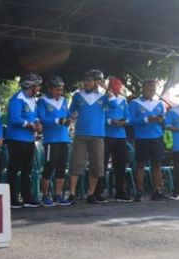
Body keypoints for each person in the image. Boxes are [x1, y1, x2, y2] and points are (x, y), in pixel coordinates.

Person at [68, 69, 115, 205]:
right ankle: (71, 194)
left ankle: (91, 194)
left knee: (96, 166)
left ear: (97, 82)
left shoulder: (103, 95)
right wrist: (72, 115)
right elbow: (71, 111)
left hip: (98, 135)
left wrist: (107, 89)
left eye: (90, 80)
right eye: (86, 80)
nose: (87, 83)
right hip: (80, 135)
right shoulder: (78, 95)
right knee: (76, 165)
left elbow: (114, 104)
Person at [6, 73, 43, 208]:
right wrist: (29, 125)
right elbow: (15, 119)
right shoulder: (17, 99)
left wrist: (38, 124)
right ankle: (12, 198)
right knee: (14, 169)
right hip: (16, 139)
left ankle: (27, 197)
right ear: (30, 86)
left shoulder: (33, 100)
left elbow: (36, 115)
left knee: (27, 170)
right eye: (37, 86)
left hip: (29, 139)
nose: (38, 88)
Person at [129, 79, 169, 201]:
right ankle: (139, 191)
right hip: (142, 138)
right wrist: (146, 119)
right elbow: (130, 122)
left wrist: (162, 120)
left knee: (157, 164)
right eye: (149, 89)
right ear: (143, 89)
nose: (151, 91)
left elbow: (165, 122)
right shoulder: (134, 103)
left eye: (153, 89)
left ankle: (156, 191)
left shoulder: (160, 104)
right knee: (141, 164)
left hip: (157, 137)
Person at [36, 76, 72, 206]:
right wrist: (58, 120)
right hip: (51, 140)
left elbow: (67, 116)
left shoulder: (63, 100)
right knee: (49, 167)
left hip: (64, 138)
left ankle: (58, 195)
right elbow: (42, 119)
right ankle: (45, 196)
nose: (59, 92)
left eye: (61, 89)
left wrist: (69, 120)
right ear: (50, 89)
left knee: (61, 168)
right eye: (57, 89)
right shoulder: (42, 101)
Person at [101, 76, 132, 202]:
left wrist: (124, 122)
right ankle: (99, 191)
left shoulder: (123, 100)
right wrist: (110, 121)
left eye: (119, 89)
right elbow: (99, 117)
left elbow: (128, 117)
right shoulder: (103, 99)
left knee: (120, 164)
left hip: (120, 136)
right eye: (115, 89)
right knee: (101, 164)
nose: (117, 91)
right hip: (106, 135)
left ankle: (120, 191)